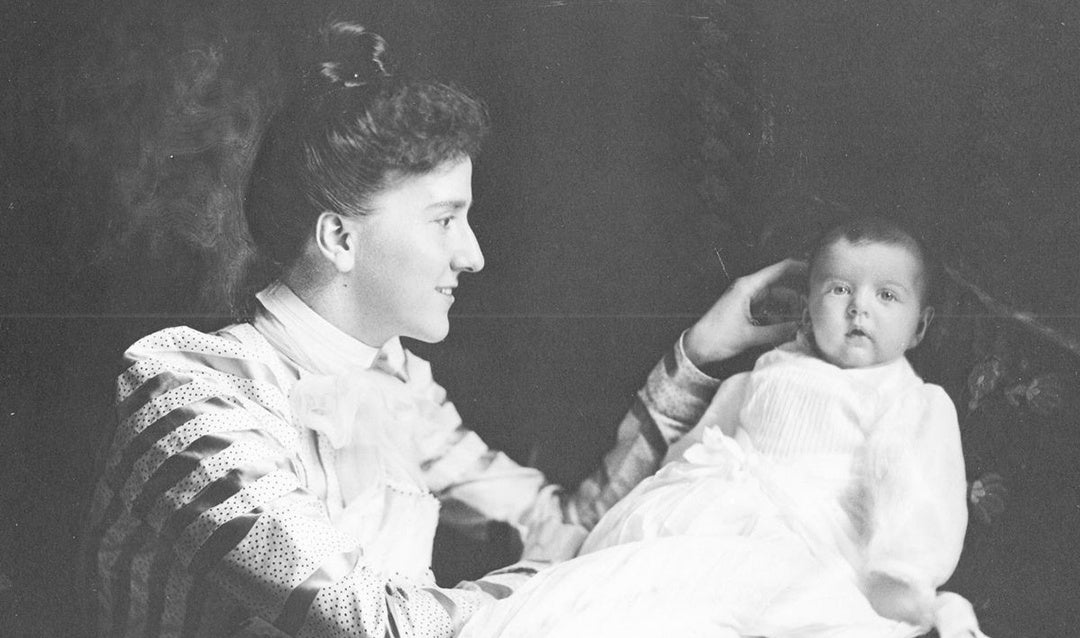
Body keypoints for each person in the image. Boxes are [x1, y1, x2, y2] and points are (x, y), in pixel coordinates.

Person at [81, 22, 801, 638]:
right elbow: (365, 620)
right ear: (338, 238)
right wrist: (585, 586)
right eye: (445, 219)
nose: (474, 254)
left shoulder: (398, 388)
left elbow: (565, 532)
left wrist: (698, 359)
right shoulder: (190, 392)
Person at [458, 217, 988, 638]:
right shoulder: (771, 368)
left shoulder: (909, 400)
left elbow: (915, 489)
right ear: (806, 307)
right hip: (713, 507)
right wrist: (659, 495)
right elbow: (701, 442)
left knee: (758, 604)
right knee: (637, 597)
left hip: (805, 534)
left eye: (887, 296)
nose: (859, 309)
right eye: (839, 289)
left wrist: (900, 574)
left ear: (919, 327)